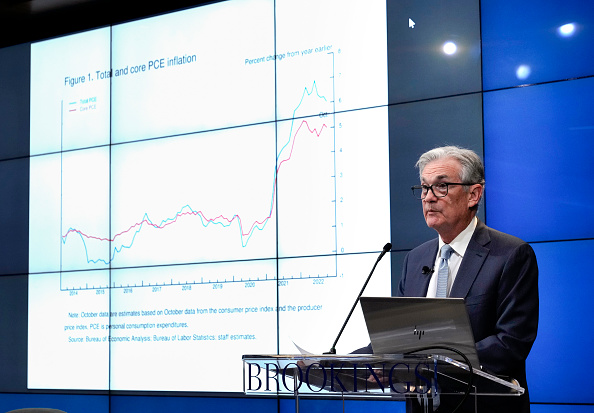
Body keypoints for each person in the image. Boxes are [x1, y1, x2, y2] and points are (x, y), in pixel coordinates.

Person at [395, 145, 539, 412]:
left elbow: (511, 343)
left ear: (474, 194)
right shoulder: (414, 260)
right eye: (424, 188)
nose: (428, 197)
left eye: (442, 187)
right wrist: (339, 362)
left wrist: (436, 362)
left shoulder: (511, 255)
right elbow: (400, 336)